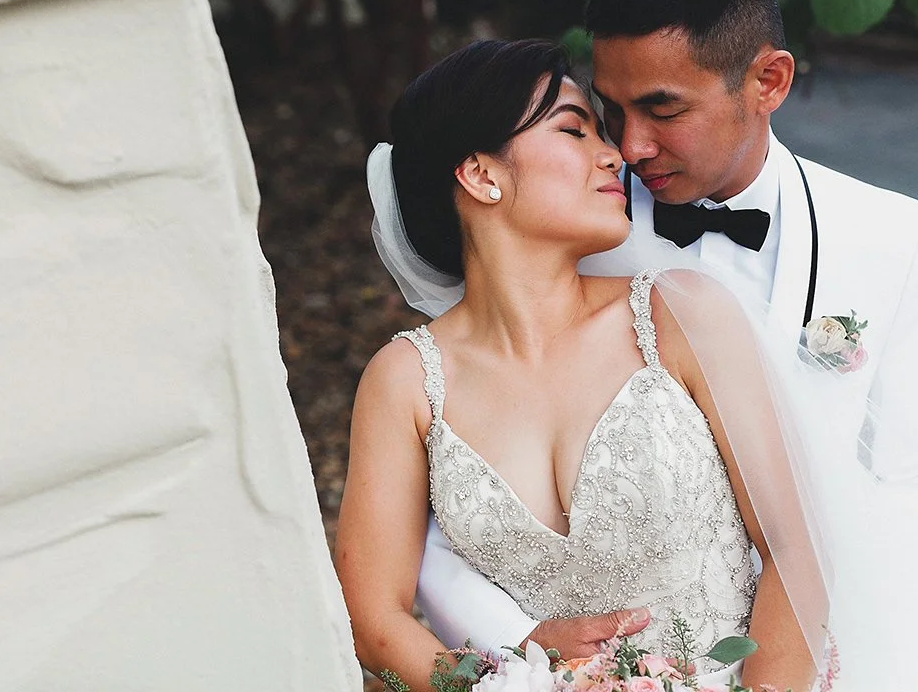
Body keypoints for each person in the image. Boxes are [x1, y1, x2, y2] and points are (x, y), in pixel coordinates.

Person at [410, 0, 918, 690]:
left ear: (769, 81)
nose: (627, 146)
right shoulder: (567, 232)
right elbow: (455, 483)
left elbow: (909, 486)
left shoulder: (891, 237)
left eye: (662, 109)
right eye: (608, 110)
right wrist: (521, 654)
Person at [336, 39, 827, 692]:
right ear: (481, 175)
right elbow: (372, 617)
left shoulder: (678, 316)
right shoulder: (405, 383)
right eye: (574, 130)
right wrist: (504, 680)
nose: (615, 155)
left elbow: (794, 553)